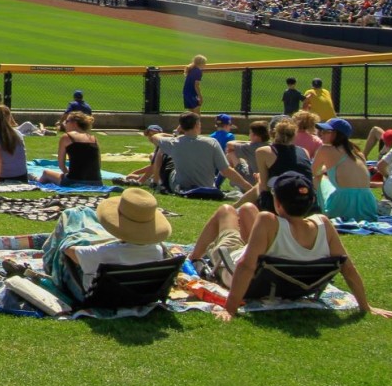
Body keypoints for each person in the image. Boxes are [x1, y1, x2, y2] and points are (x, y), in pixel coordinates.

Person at [189, 172, 392, 321]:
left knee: (226, 210)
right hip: (296, 284)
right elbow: (347, 268)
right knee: (247, 209)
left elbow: (245, 266)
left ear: (277, 202)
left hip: (247, 279)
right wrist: (365, 306)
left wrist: (230, 309)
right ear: (312, 200)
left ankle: (193, 258)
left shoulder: (268, 220)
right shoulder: (323, 224)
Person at [42, 188, 174, 302]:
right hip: (143, 296)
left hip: (98, 297)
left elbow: (67, 250)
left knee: (69, 219)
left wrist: (74, 239)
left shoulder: (104, 252)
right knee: (83, 217)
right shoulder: (158, 250)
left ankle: (48, 265)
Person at [150, 112, 252, 194]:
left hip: (180, 185)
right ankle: (154, 182)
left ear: (182, 126)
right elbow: (226, 170)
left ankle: (155, 182)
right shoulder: (211, 142)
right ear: (196, 125)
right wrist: (248, 187)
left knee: (161, 150)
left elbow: (155, 137)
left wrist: (175, 134)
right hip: (206, 185)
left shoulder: (174, 142)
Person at [311, 118, 377, 223]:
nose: (321, 134)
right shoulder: (358, 153)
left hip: (342, 205)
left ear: (337, 134)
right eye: (321, 131)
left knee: (318, 178)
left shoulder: (325, 149)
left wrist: (324, 171)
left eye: (326, 131)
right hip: (368, 204)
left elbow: (314, 172)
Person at [39, 112, 103, 187]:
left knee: (46, 173)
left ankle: (36, 183)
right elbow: (98, 164)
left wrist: (67, 174)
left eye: (66, 121)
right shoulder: (93, 138)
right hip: (97, 182)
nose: (64, 124)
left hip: (74, 181)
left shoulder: (67, 137)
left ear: (74, 123)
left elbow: (61, 165)